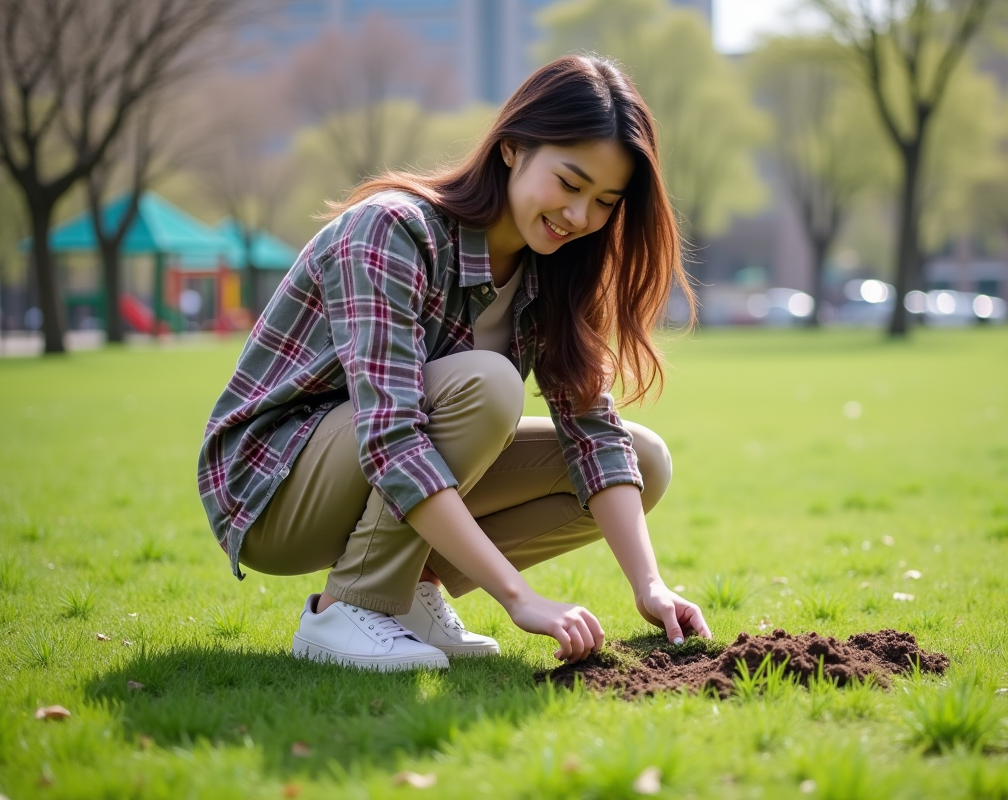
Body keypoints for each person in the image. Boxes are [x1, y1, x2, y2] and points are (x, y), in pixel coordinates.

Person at [197, 54, 710, 673]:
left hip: (371, 469)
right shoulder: (392, 230)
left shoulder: (553, 271)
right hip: (272, 488)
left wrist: (649, 586)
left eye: (604, 201)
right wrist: (518, 599)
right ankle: (347, 607)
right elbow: (391, 435)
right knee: (488, 385)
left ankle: (411, 590)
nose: (580, 217)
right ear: (513, 148)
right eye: (570, 184)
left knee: (642, 460)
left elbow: (593, 432)